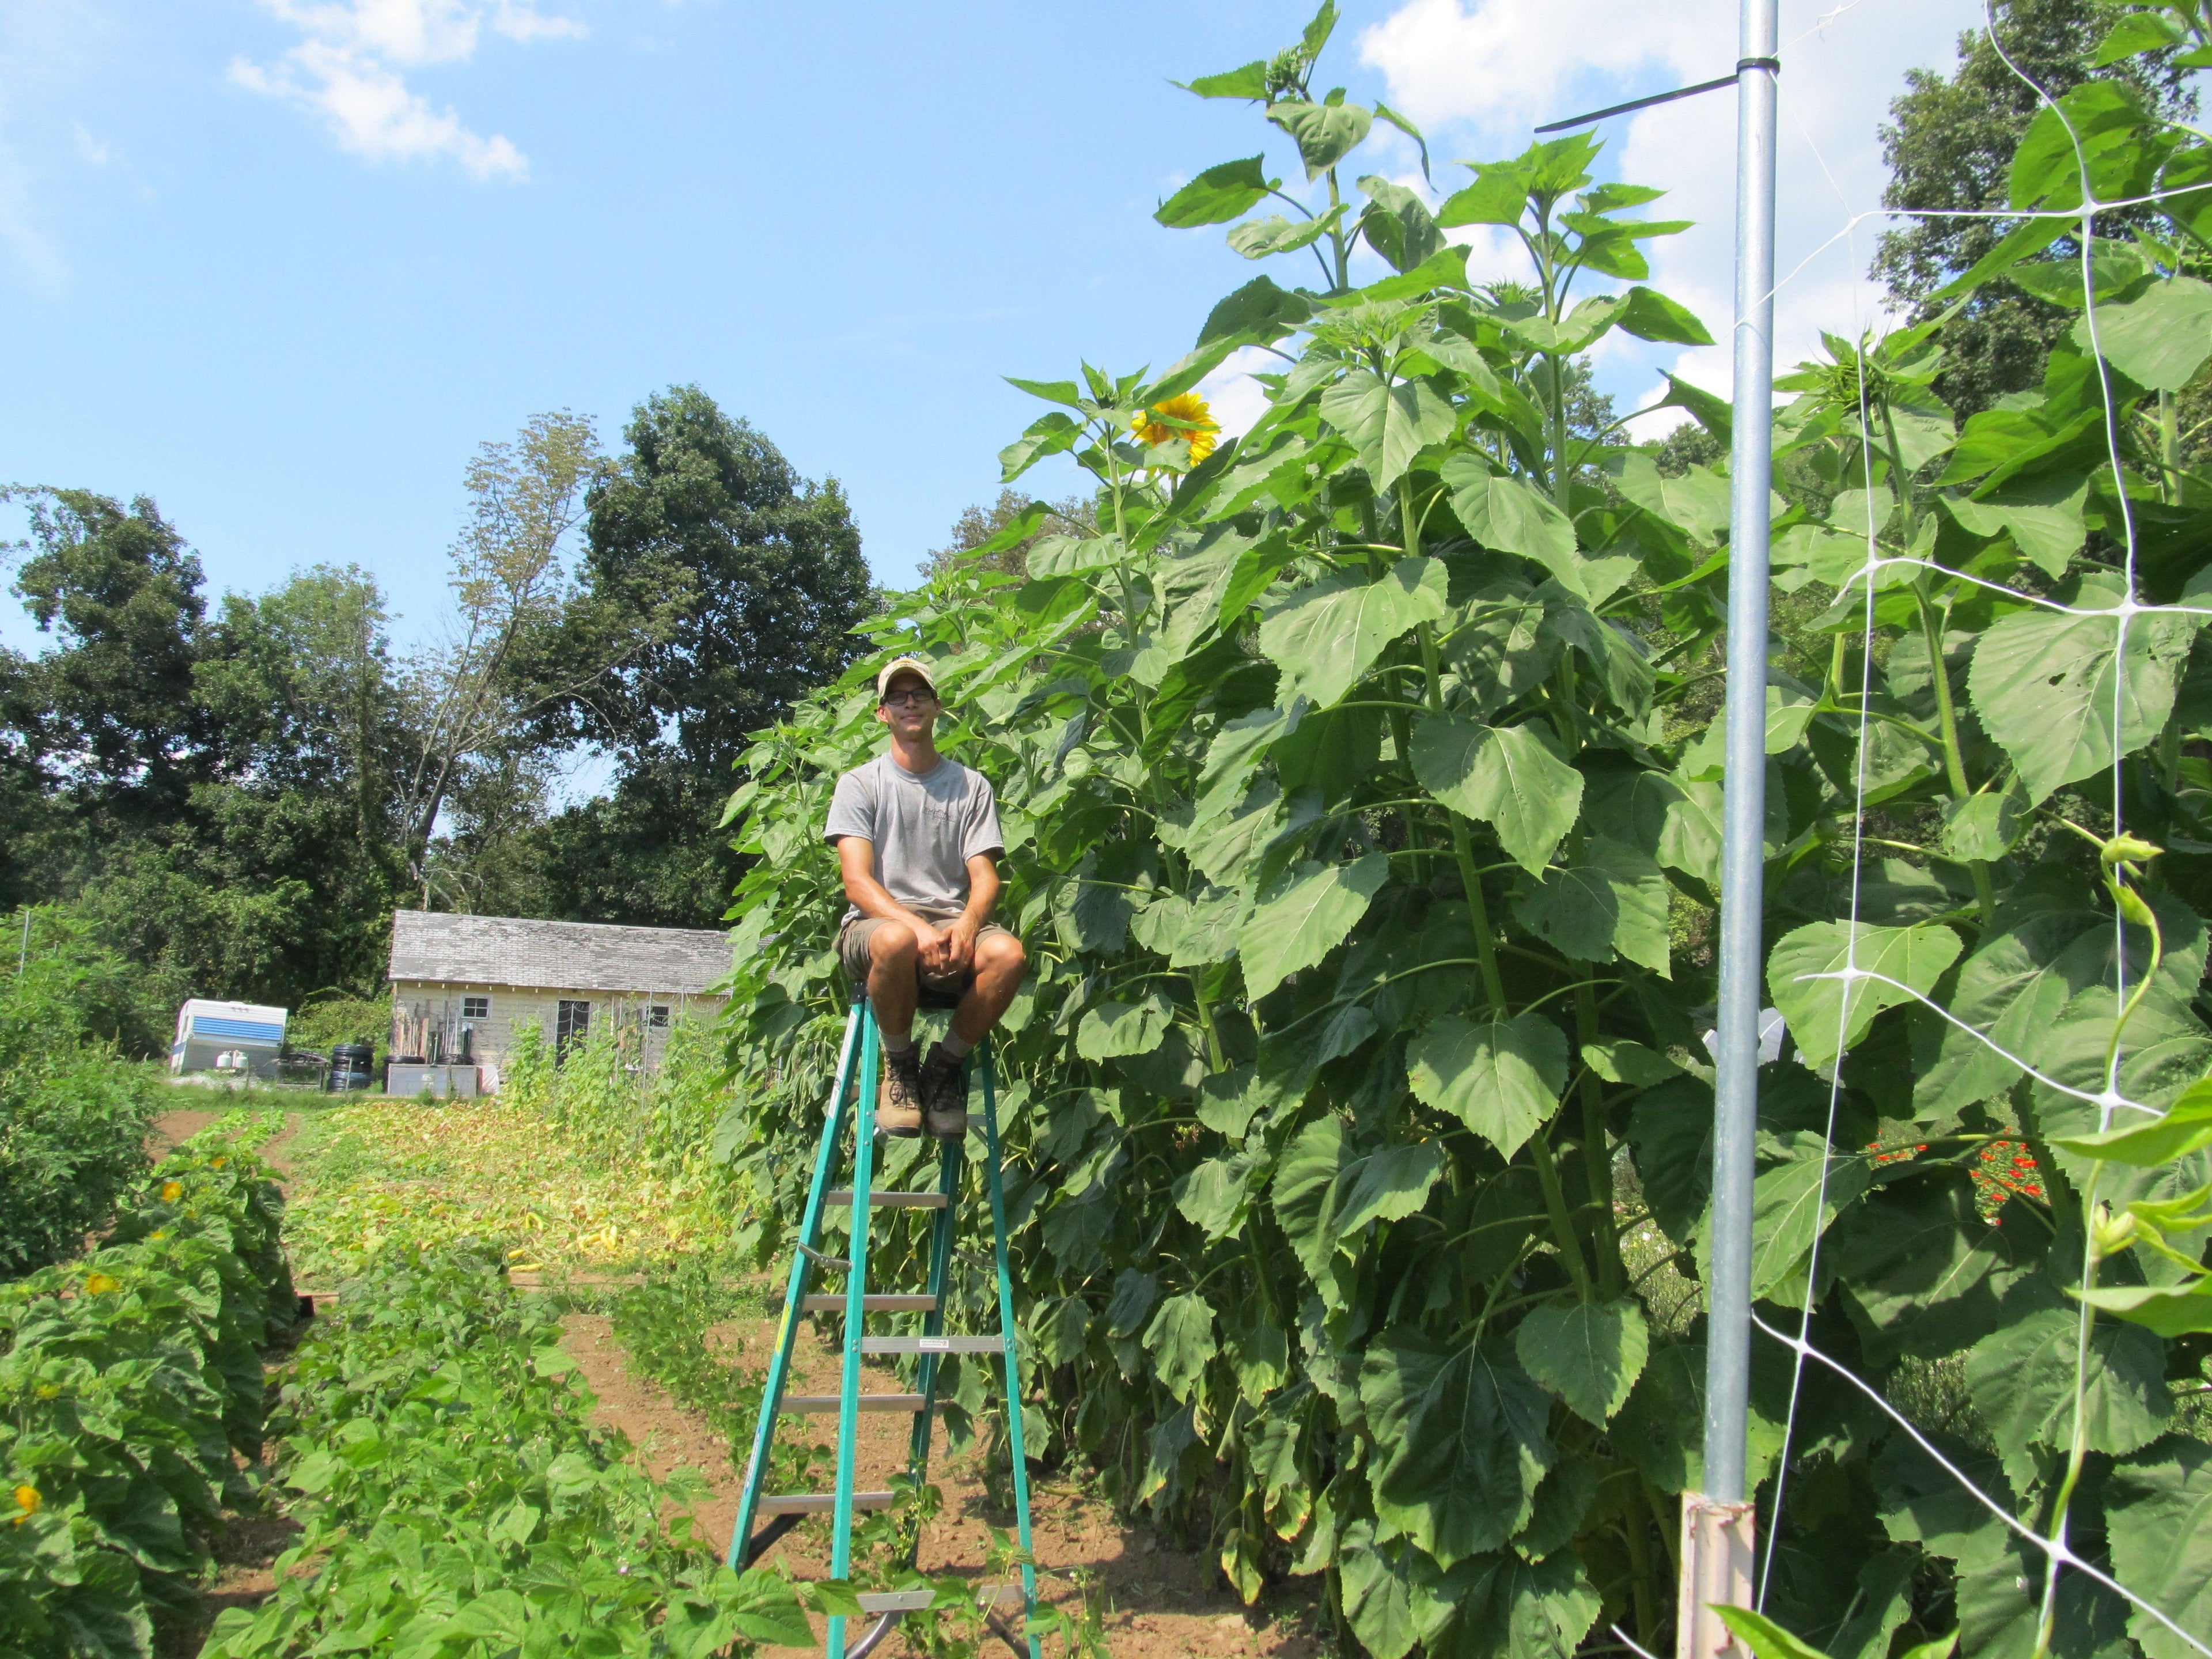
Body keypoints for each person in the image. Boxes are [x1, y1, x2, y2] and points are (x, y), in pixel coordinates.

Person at [823, 656, 1028, 1138]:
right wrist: (917, 930)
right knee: (894, 939)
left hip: (951, 925)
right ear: (882, 713)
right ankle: (899, 1067)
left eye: (918, 694)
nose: (909, 702)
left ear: (937, 706)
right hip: (877, 931)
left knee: (1008, 954)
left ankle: (943, 1068)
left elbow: (985, 878)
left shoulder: (970, 786)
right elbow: (857, 882)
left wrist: (966, 927)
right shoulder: (859, 785)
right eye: (898, 696)